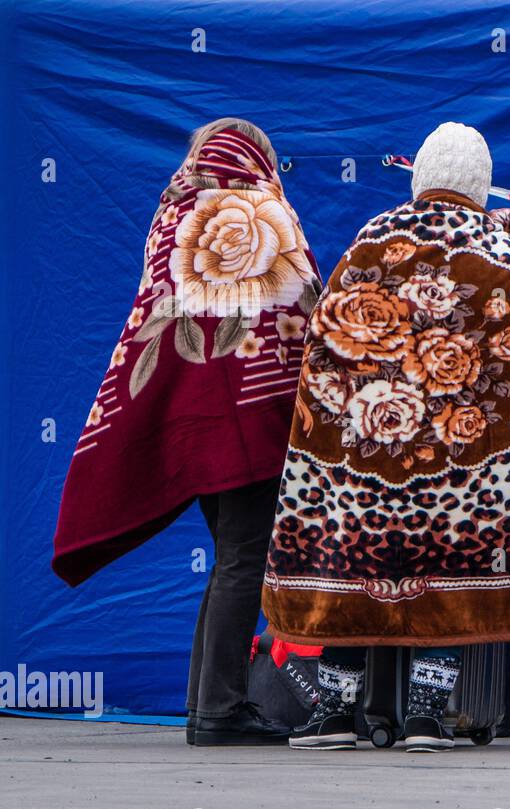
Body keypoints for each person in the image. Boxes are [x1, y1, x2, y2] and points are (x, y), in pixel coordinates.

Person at [262, 122, 510, 752]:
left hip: (368, 457)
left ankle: (336, 715)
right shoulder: (501, 253)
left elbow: (325, 343)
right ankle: (426, 717)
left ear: (421, 175)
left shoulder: (373, 238)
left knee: (352, 572)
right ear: (479, 183)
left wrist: (347, 430)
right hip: (455, 467)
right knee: (443, 576)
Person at [52, 118, 321, 746]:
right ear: (259, 157)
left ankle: (209, 703)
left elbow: (159, 312)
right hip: (253, 417)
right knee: (245, 557)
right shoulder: (263, 208)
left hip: (192, 420)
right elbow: (304, 297)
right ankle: (219, 711)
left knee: (231, 556)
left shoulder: (172, 219)